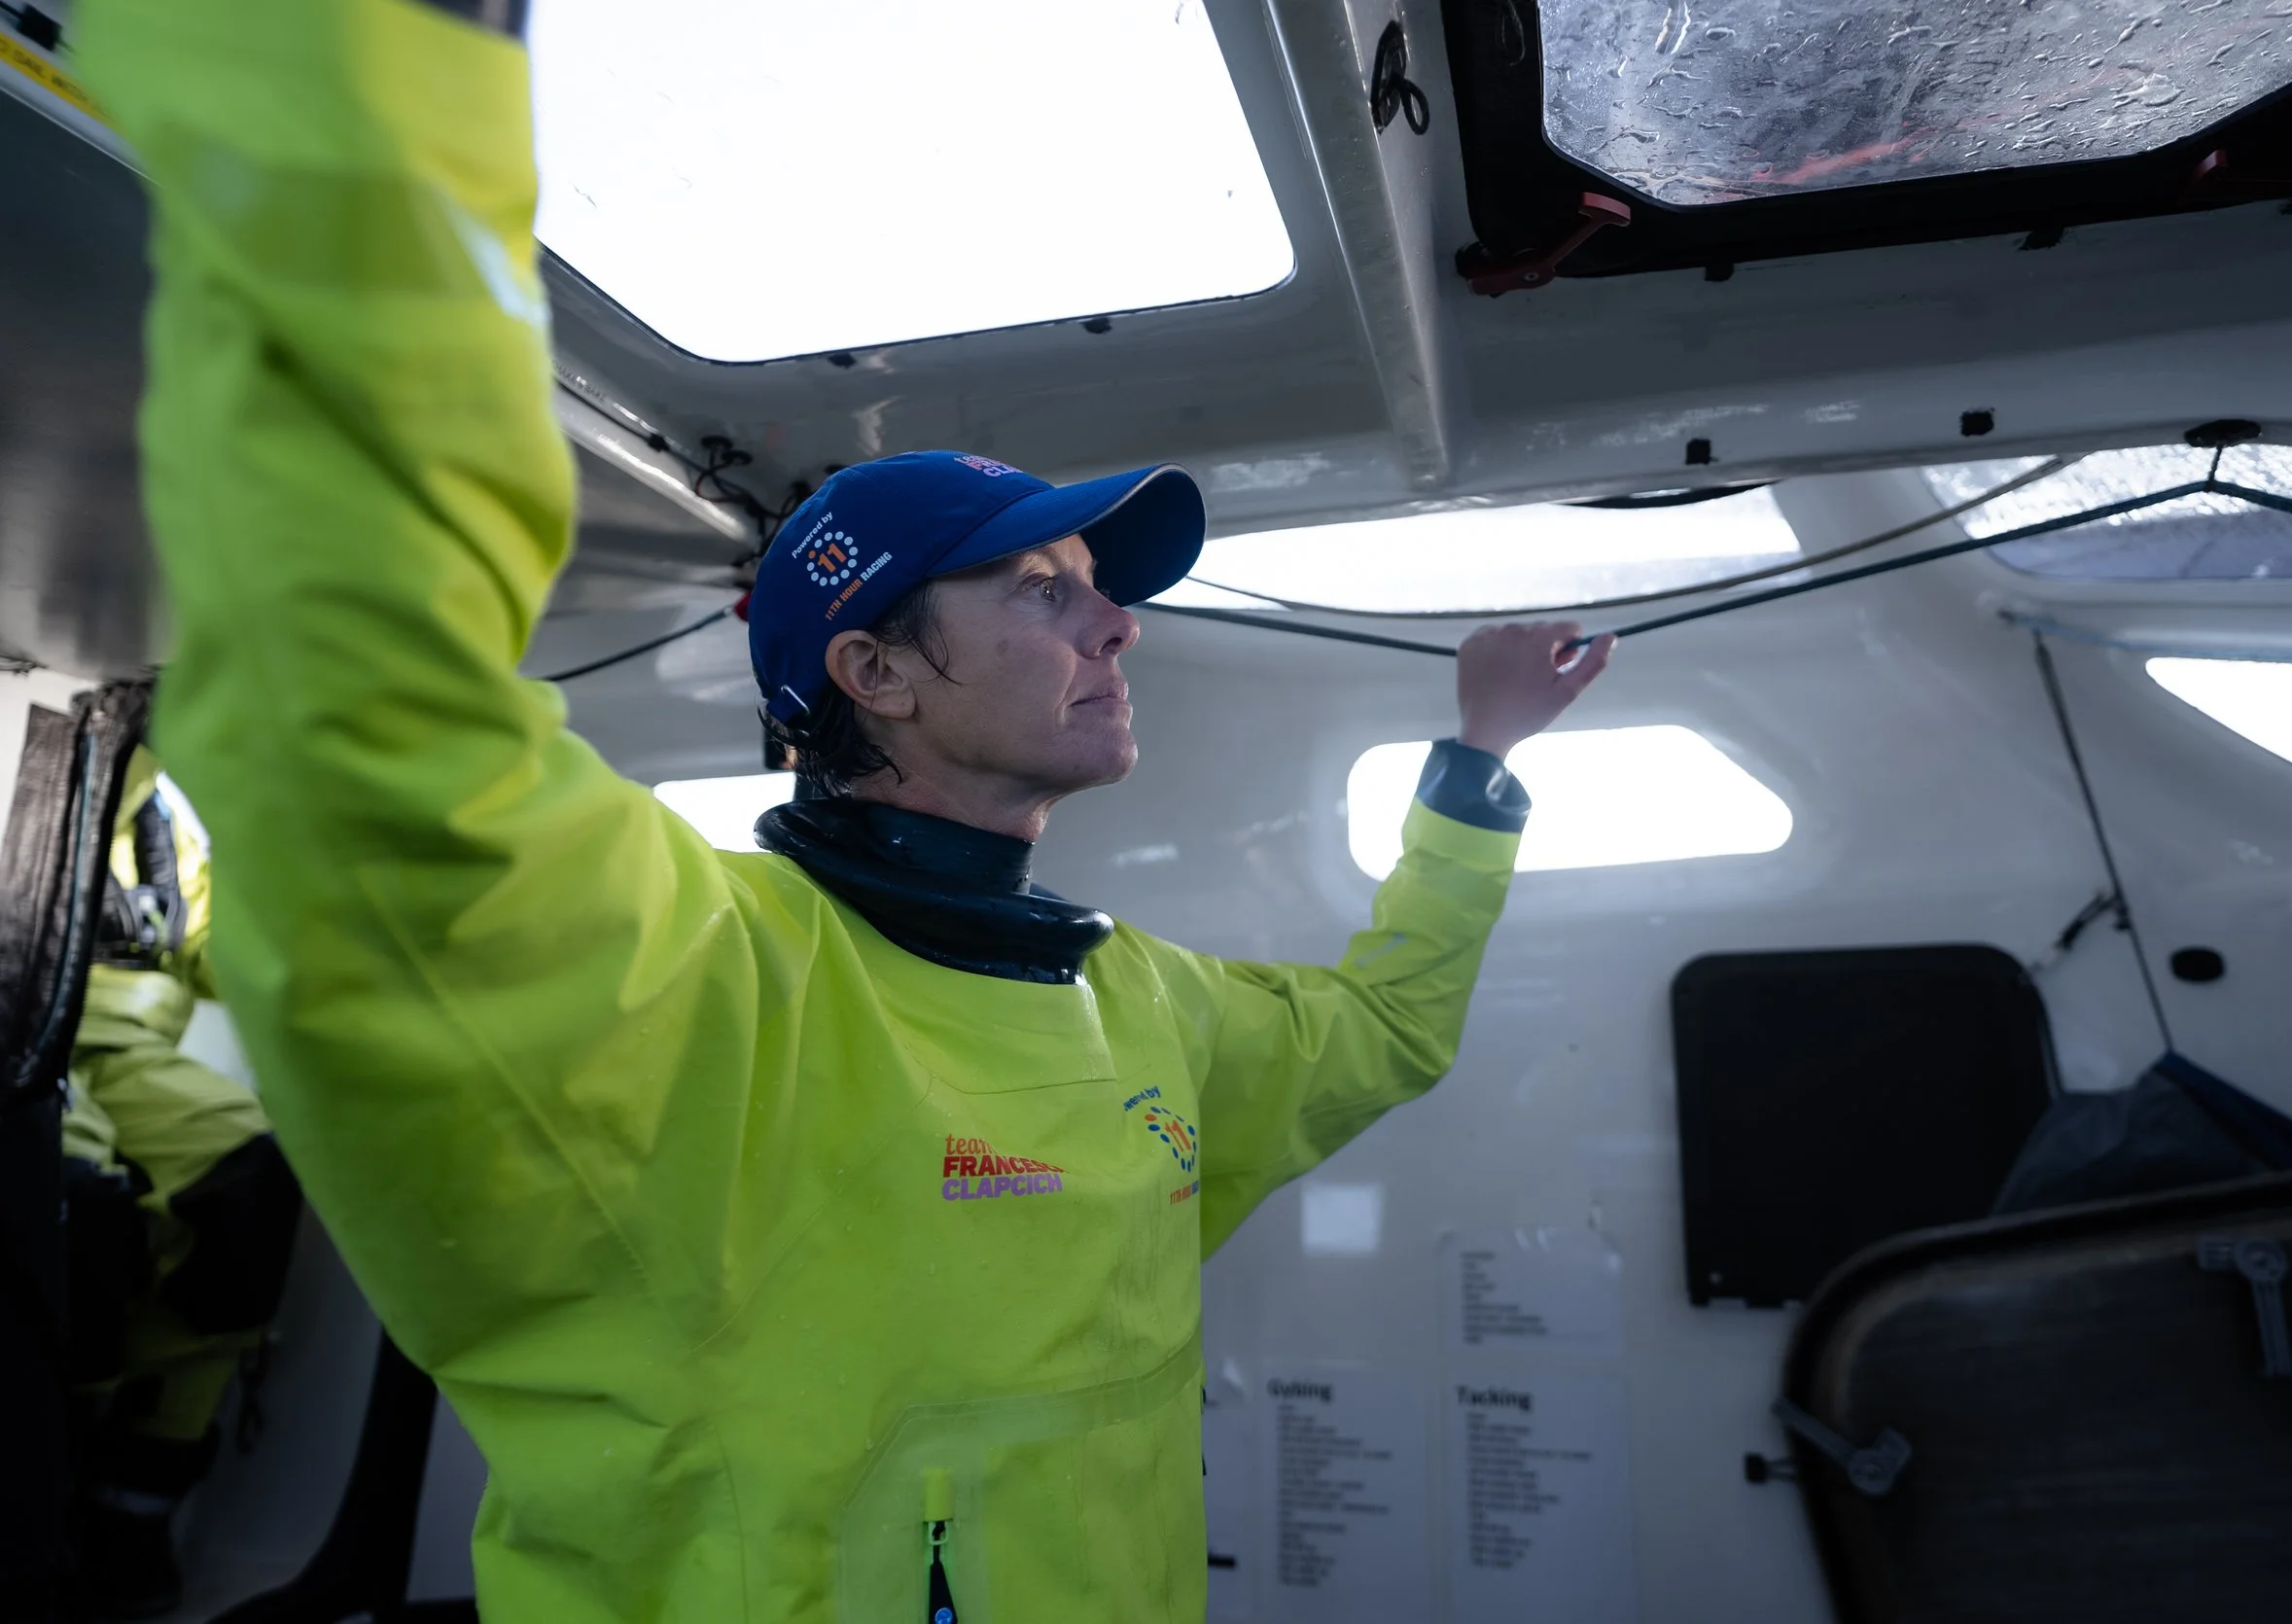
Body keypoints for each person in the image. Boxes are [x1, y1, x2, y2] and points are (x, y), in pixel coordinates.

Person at [81, 2, 1613, 1620]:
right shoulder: (699, 992)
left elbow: (1386, 1028)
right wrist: (386, 68)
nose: (1116, 625)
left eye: (1103, 592)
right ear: (876, 670)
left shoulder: (1147, 1007)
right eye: (1042, 590)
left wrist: (1477, 764)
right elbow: (363, 723)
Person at [59, 749, 301, 1620]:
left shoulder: (161, 818)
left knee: (252, 1188)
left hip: (130, 1059)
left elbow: (219, 949)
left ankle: (133, 1497)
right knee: (75, 1214)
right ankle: (43, 1476)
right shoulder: (31, 759)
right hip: (26, 1044)